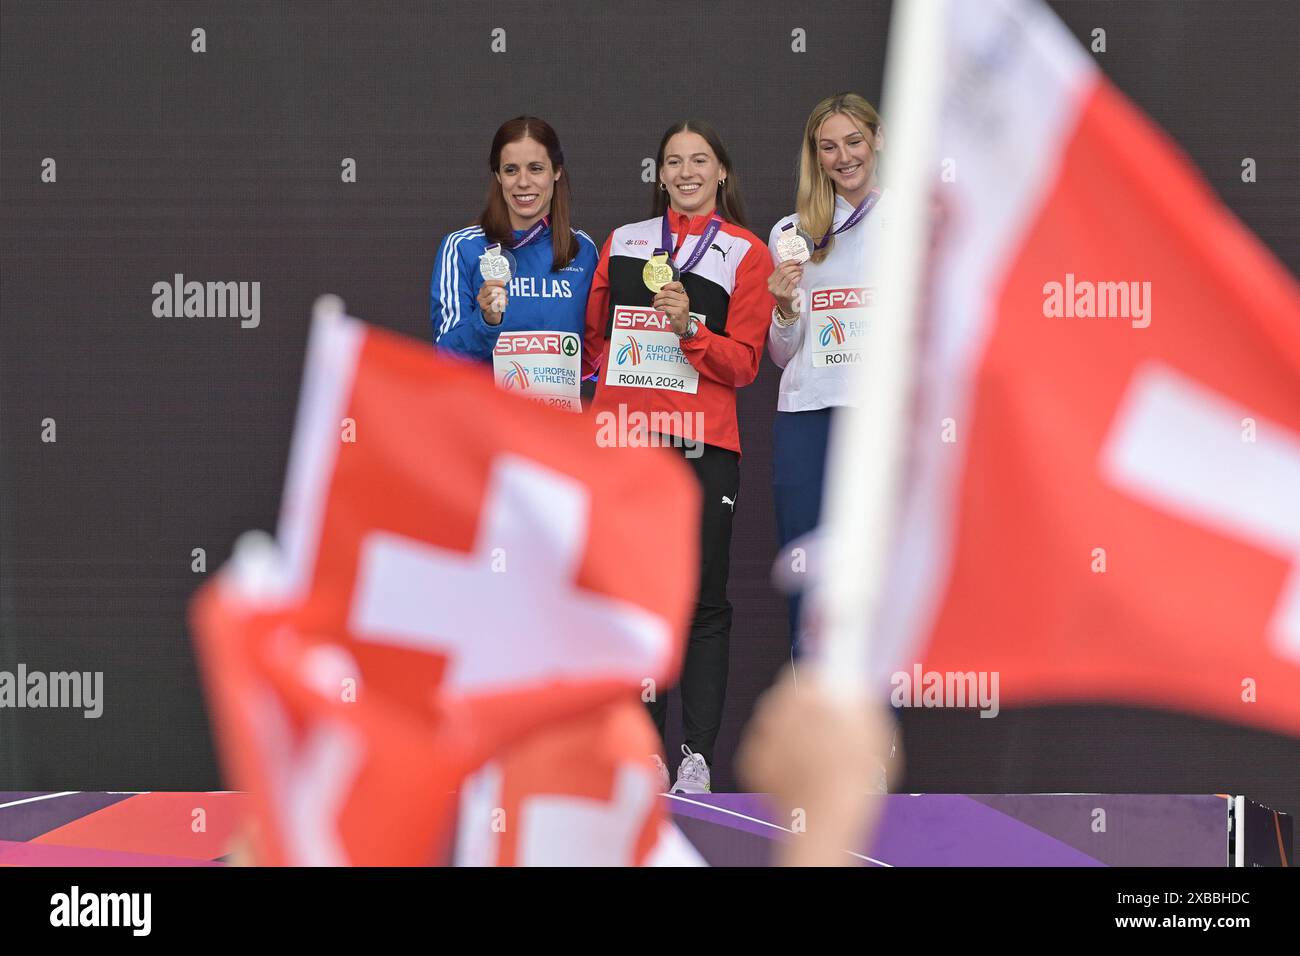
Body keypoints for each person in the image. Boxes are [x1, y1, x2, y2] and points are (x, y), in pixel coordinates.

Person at [583, 120, 774, 794]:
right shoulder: (626, 242)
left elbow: (746, 364)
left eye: (700, 161)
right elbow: (593, 334)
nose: (687, 172)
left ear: (721, 172)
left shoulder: (747, 253)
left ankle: (694, 754)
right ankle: (644, 752)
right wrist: (616, 380)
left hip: (704, 447)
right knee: (635, 599)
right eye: (673, 161)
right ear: (658, 174)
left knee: (701, 602)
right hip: (627, 446)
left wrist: (691, 328)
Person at [767, 92, 892, 661]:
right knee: (810, 575)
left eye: (854, 142)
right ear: (814, 157)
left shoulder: (910, 222)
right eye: (828, 147)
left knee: (881, 575)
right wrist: (786, 307)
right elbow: (779, 352)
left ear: (878, 141)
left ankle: (874, 741)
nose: (843, 157)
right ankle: (812, 733)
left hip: (881, 422)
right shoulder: (792, 234)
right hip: (808, 417)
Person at [431, 116, 598, 407]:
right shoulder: (463, 247)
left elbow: (594, 352)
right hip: (487, 424)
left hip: (557, 427)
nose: (523, 182)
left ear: (556, 171)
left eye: (536, 168)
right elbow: (445, 356)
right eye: (511, 170)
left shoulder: (582, 250)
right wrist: (486, 321)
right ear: (497, 175)